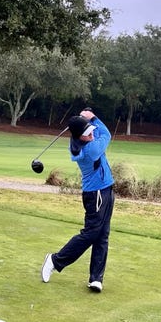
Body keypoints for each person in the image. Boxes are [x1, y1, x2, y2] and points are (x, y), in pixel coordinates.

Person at [40, 108, 115, 293]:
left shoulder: (80, 140)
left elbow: (94, 131)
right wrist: (94, 117)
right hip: (95, 194)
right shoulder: (90, 150)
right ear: (80, 137)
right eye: (87, 133)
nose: (91, 134)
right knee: (91, 234)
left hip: (106, 189)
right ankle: (55, 261)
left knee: (102, 234)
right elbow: (105, 134)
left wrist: (86, 121)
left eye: (90, 131)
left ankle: (96, 278)